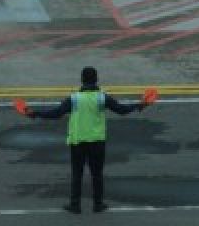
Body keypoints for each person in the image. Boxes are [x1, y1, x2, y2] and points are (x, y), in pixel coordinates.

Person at [20, 67, 153, 214]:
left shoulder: (74, 98)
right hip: (97, 141)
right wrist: (140, 105)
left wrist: (35, 113)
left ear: (82, 80)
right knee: (97, 174)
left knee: (77, 174)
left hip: (78, 142)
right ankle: (98, 204)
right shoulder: (102, 97)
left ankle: (75, 205)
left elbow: (56, 113)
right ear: (96, 79)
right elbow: (121, 110)